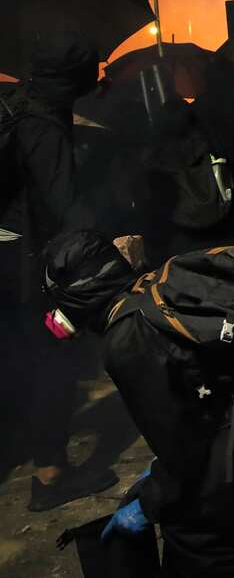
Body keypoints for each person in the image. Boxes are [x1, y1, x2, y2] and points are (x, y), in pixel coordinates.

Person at [41, 230, 234, 576]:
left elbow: (185, 448)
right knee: (189, 512)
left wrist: (151, 499)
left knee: (199, 535)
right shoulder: (147, 288)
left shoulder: (125, 341)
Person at [0, 31, 118, 512]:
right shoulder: (43, 123)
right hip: (26, 263)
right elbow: (65, 206)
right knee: (53, 362)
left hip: (5, 253)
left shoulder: (16, 100)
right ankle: (50, 474)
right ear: (72, 81)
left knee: (18, 360)